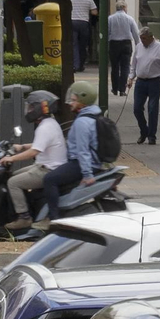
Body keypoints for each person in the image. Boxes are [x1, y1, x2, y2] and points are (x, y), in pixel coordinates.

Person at [33, 81, 100, 232]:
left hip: (80, 164)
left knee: (49, 179)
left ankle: (53, 219)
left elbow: (83, 151)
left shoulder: (82, 122)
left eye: (74, 99)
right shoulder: (92, 115)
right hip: (86, 162)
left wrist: (87, 174)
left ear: (83, 101)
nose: (71, 102)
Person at [0, 89, 66, 232]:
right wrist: (22, 146)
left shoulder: (45, 127)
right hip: (44, 166)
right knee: (14, 175)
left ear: (38, 108)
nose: (28, 110)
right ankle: (27, 206)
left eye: (30, 107)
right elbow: (39, 145)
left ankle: (24, 217)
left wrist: (11, 158)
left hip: (47, 170)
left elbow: (34, 152)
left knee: (13, 183)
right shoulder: (50, 123)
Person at [127, 26, 160, 145]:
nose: (142, 40)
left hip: (154, 81)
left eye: (144, 38)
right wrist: (131, 77)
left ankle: (152, 135)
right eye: (141, 38)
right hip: (140, 81)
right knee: (137, 108)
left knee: (152, 109)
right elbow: (134, 64)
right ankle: (144, 131)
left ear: (151, 37)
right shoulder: (138, 47)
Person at [106, 1, 139, 95]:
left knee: (115, 67)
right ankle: (122, 89)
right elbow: (135, 33)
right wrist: (138, 45)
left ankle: (115, 88)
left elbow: (107, 32)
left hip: (114, 44)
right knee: (125, 67)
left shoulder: (110, 18)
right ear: (124, 7)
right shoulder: (129, 18)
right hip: (126, 44)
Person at [69, 0, 98, 71]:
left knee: (74, 44)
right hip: (84, 23)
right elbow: (94, 12)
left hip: (72, 22)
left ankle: (75, 65)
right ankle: (81, 65)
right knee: (83, 45)